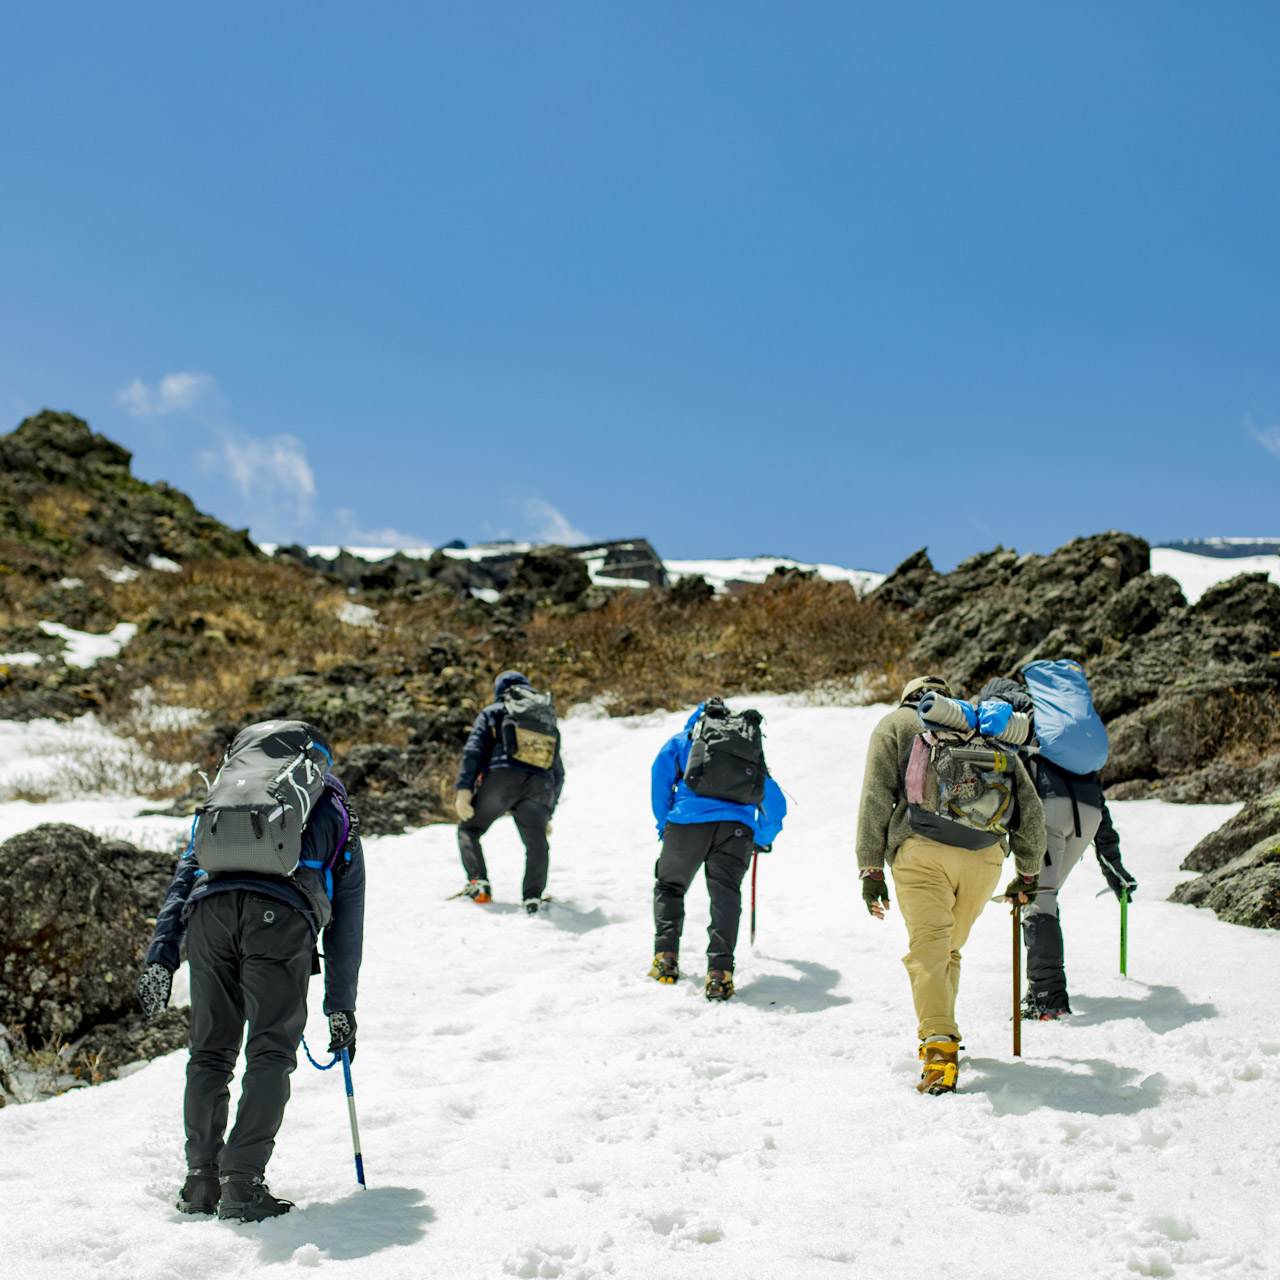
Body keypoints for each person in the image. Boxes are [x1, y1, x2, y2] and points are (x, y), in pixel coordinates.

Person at [135, 726, 364, 1222]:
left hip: (207, 918)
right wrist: (340, 1006)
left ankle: (200, 1181)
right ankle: (242, 1184)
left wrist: (161, 957)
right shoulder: (332, 807)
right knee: (269, 1051)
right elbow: (347, 917)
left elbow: (185, 874)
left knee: (210, 1050)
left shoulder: (227, 798)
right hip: (279, 924)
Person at [857, 675, 1045, 1094]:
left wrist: (870, 868)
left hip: (922, 852)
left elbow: (875, 796)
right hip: (986, 857)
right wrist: (1028, 872)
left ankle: (940, 1054)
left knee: (928, 948)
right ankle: (944, 1034)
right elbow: (1029, 806)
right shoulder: (983, 728)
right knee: (947, 949)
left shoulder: (895, 724)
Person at [978, 674, 1138, 1019]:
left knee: (1037, 902)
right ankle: (1045, 989)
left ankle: (1047, 1000)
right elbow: (1100, 803)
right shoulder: (1055, 730)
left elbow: (1005, 784)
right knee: (1043, 898)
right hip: (1089, 812)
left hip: (1049, 812)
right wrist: (1114, 866)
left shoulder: (1013, 728)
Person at [649, 698, 787, 1001]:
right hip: (735, 831)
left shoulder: (685, 739)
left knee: (670, 887)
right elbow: (775, 803)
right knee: (725, 897)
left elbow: (659, 778)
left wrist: (665, 825)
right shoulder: (745, 749)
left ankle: (666, 960)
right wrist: (760, 838)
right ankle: (719, 975)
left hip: (686, 825)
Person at [455, 670, 565, 914]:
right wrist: (549, 811)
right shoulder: (546, 717)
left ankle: (478, 882)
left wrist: (464, 789)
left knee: (469, 829)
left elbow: (474, 750)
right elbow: (558, 771)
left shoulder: (494, 711)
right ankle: (532, 897)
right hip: (540, 784)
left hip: (501, 778)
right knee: (536, 843)